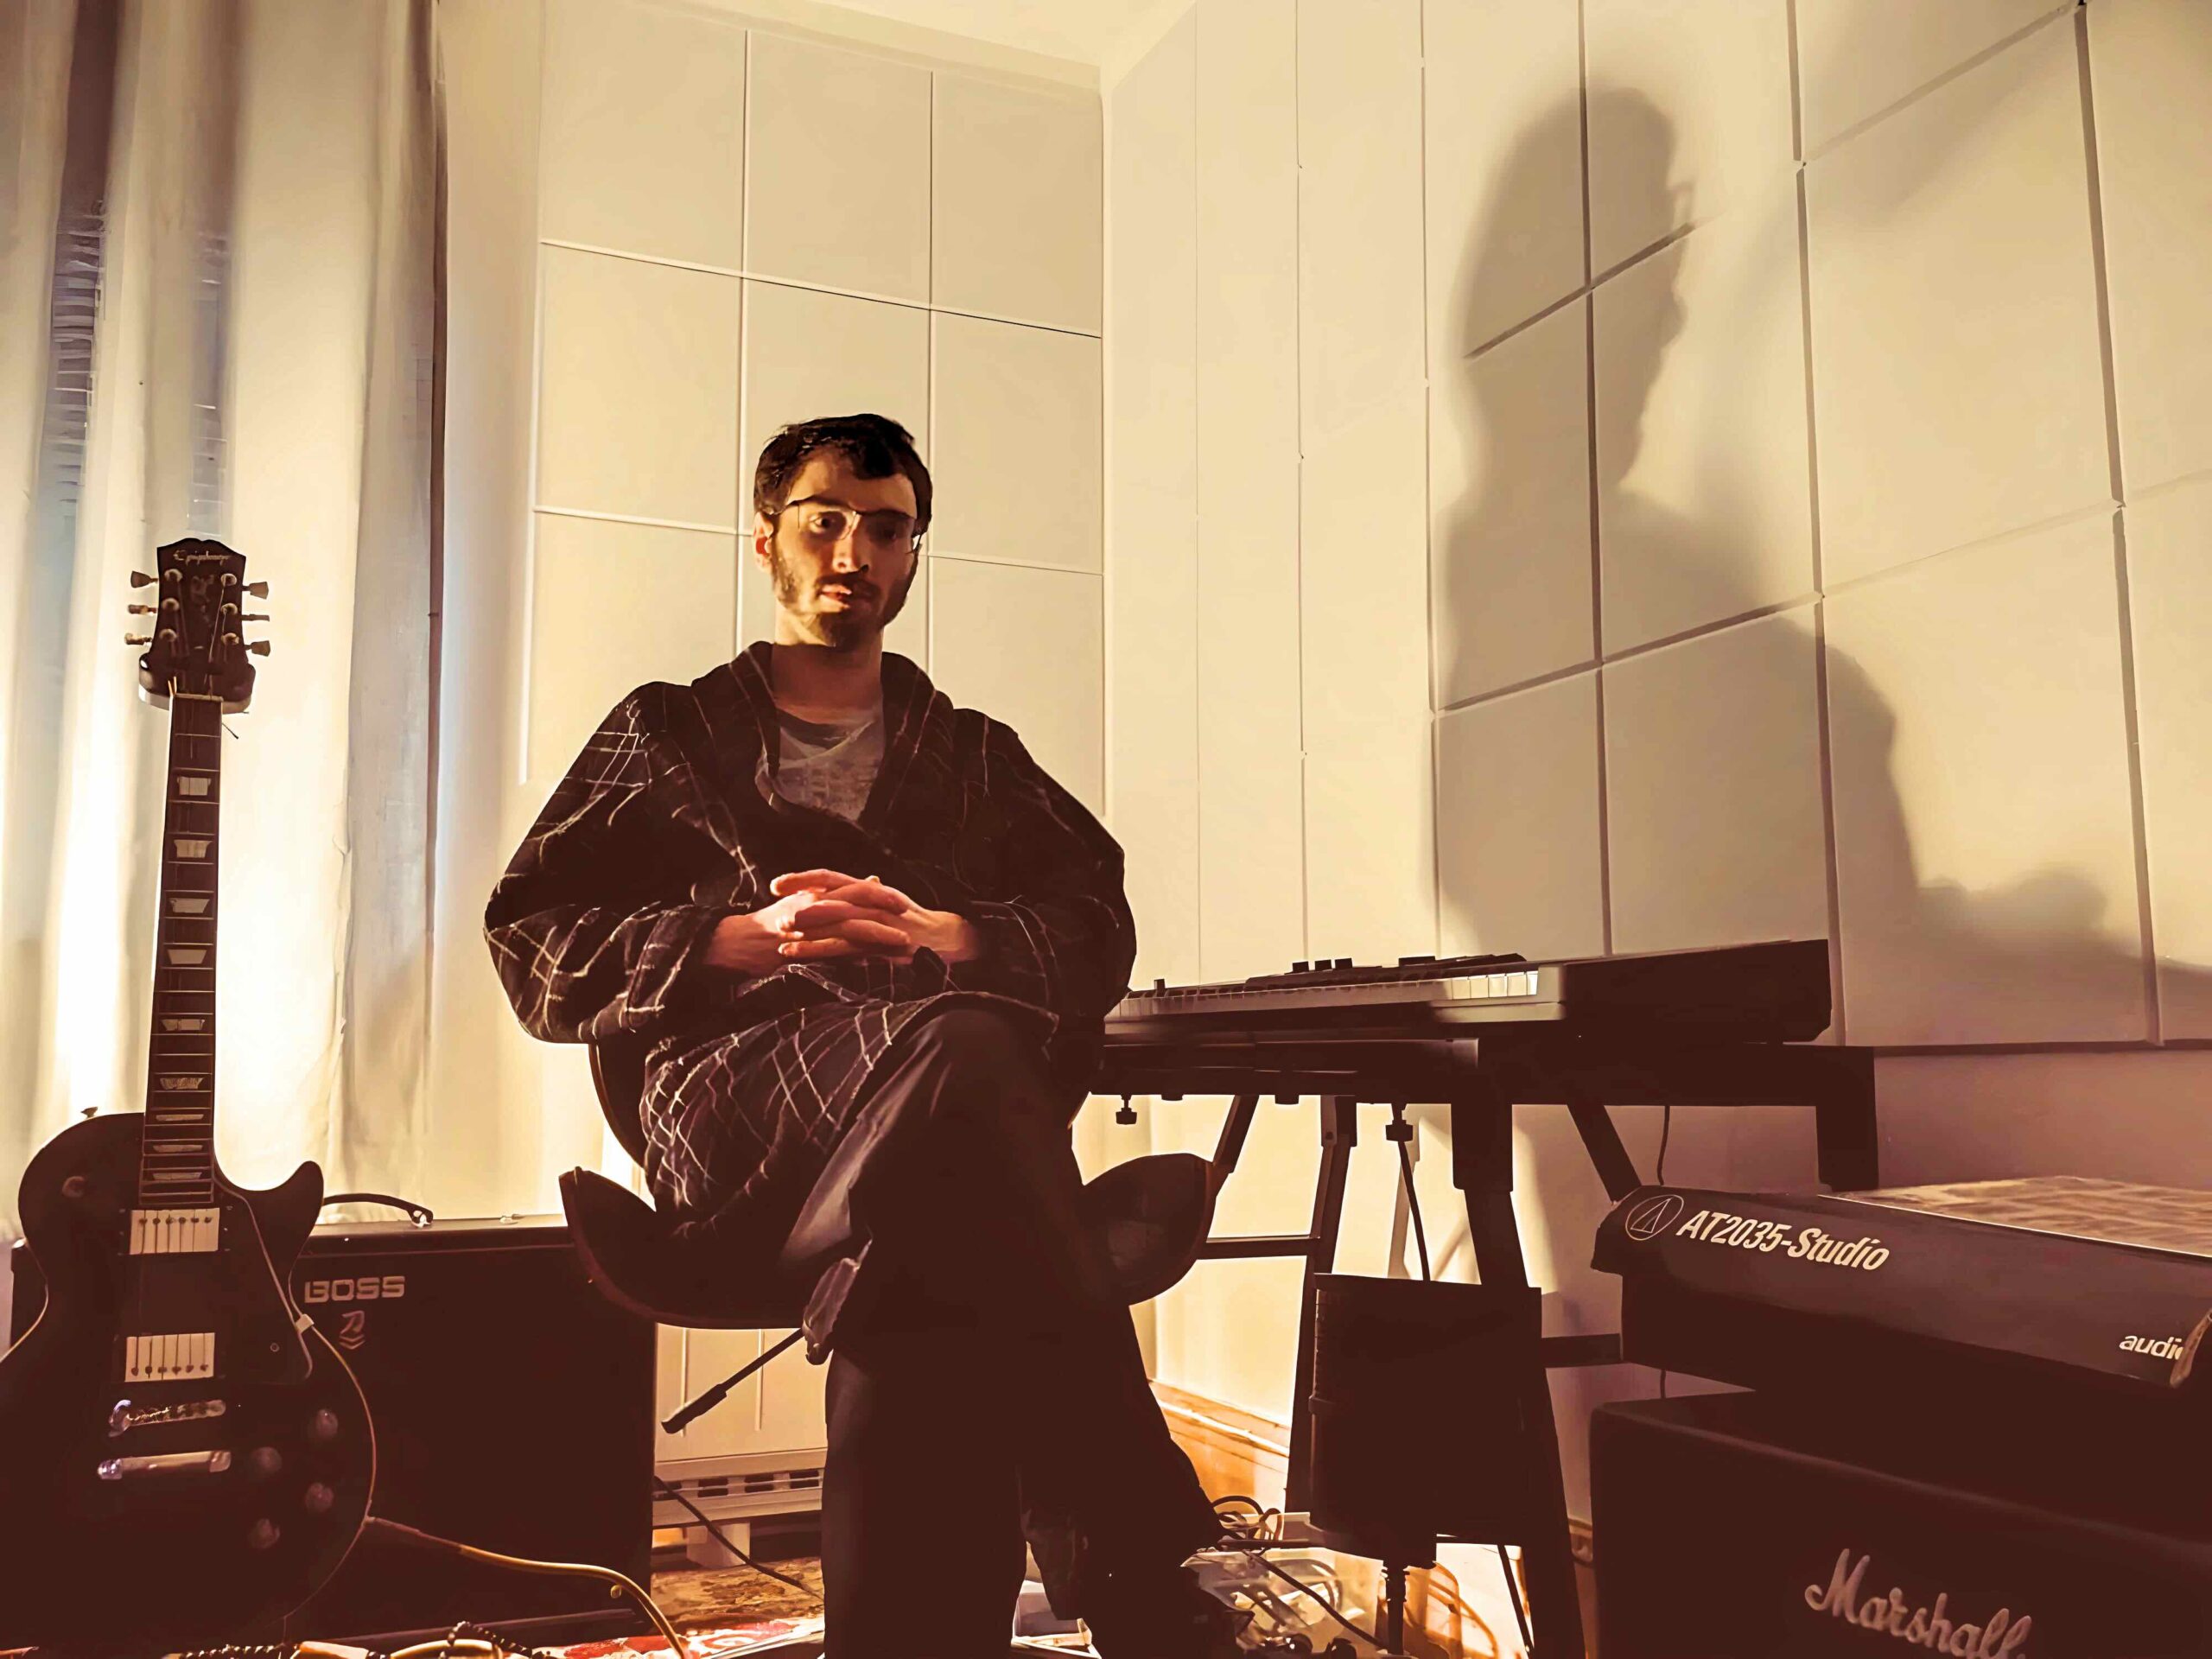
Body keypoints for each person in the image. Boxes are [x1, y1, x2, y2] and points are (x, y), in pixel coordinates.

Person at [485, 414, 1236, 1657]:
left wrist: (952, 933)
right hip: (734, 1108)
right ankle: (1130, 1540)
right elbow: (531, 941)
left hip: (929, 1117)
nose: (855, 552)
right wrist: (739, 938)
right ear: (766, 538)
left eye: (886, 530)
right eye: (825, 520)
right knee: (974, 1059)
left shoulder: (975, 755)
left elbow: (1096, 922)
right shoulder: (666, 733)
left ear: (913, 552)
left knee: (936, 1248)